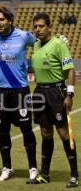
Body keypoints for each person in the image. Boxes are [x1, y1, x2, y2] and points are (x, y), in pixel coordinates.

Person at [0, 7, 38, 182]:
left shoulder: (24, 36)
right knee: (3, 131)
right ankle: (7, 168)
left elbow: (40, 41)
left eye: (2, 19)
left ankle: (33, 168)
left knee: (26, 130)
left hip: (20, 90)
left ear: (10, 20)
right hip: (1, 91)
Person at [29, 12, 79, 188]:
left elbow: (70, 70)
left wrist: (69, 94)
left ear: (49, 27)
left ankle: (74, 175)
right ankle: (45, 174)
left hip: (56, 92)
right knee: (45, 133)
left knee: (64, 133)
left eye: (41, 26)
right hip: (40, 92)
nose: (38, 29)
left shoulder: (59, 44)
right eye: (35, 26)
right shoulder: (35, 45)